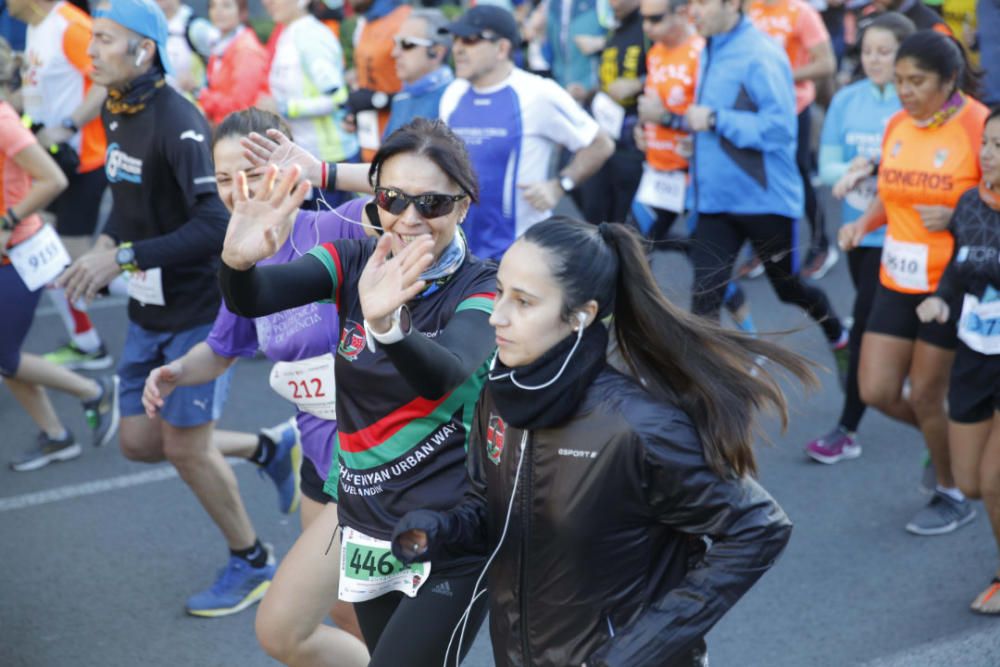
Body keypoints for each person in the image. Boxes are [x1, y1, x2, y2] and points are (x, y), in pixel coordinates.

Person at [391, 217, 808, 666]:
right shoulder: (499, 392)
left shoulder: (639, 426)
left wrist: (633, 651)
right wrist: (444, 530)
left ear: (582, 315)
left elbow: (758, 529)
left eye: (524, 302)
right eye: (499, 292)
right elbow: (489, 502)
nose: (498, 316)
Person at [220, 118, 495, 666]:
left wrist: (389, 327)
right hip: (366, 525)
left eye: (433, 204)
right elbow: (254, 298)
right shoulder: (351, 260)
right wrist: (238, 260)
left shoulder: (486, 286)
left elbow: (445, 373)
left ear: (464, 205)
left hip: (453, 532)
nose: (410, 219)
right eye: (393, 199)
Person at [58, 0, 290, 617]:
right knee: (138, 442)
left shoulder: (180, 122)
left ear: (144, 50)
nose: (90, 48)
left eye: (104, 38)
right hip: (145, 309)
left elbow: (216, 225)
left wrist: (123, 256)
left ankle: (253, 560)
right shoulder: (116, 109)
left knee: (186, 448)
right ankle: (268, 447)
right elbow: (131, 201)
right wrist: (107, 247)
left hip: (193, 309)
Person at [140, 109, 368, 623]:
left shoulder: (337, 225)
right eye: (223, 178)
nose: (236, 188)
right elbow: (222, 348)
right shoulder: (242, 260)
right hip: (318, 456)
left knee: (303, 625)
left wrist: (327, 172)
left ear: (289, 167)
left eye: (252, 171)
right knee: (338, 619)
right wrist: (176, 371)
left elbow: (423, 191)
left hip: (378, 456)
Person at [839, 29, 988, 535]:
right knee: (876, 388)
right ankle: (950, 442)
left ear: (949, 81)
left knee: (927, 393)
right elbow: (891, 191)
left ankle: (950, 490)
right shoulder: (898, 124)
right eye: (900, 81)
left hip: (951, 281)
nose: (905, 91)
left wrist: (955, 216)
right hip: (896, 273)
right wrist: (864, 224)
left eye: (917, 82)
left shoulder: (977, 125)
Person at [685, 0, 850, 386]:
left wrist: (714, 120)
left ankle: (839, 337)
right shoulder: (708, 45)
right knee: (704, 296)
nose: (696, 11)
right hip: (715, 202)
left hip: (764, 201)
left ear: (732, 5)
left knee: (789, 288)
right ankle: (702, 396)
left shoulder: (761, 53)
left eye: (704, 3)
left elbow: (779, 130)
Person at [0, 38, 119, 472]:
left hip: (16, 254)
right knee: (5, 357)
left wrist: (6, 222)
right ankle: (56, 435)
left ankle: (93, 390)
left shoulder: (3, 120)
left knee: (5, 357)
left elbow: (51, 179)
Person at [805, 12, 915, 464]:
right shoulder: (848, 100)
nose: (874, 60)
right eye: (867, 50)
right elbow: (828, 166)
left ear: (905, 56)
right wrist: (851, 172)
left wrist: (877, 170)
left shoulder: (913, 105)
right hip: (858, 232)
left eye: (884, 52)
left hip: (905, 233)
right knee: (878, 319)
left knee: (866, 323)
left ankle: (847, 427)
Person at [439, 4, 614, 261]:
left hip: (518, 254)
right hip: (459, 252)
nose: (457, 48)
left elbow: (601, 144)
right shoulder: (453, 93)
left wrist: (559, 185)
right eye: (455, 39)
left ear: (502, 48)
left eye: (470, 39)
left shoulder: (537, 92)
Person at [917, 106, 1000, 613]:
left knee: (994, 483)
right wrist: (942, 298)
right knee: (970, 482)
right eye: (987, 143)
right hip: (974, 354)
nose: (987, 154)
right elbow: (956, 266)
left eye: (999, 147)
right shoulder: (970, 203)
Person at [9, 0, 112, 371]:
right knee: (54, 258)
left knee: (71, 262)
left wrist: (69, 124)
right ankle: (87, 341)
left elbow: (104, 81)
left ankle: (93, 341)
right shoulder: (39, 27)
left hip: (83, 161)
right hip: (52, 159)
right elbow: (37, 89)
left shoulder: (69, 23)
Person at [748, 0, 838, 279]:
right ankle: (766, 248)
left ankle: (822, 244)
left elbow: (826, 63)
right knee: (758, 175)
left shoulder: (801, 11)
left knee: (798, 175)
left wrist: (783, 74)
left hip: (794, 107)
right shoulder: (749, 8)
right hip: (756, 110)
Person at [260, 0, 358, 173]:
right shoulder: (287, 33)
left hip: (332, 158)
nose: (267, 2)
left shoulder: (312, 36)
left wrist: (283, 108)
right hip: (305, 155)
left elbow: (337, 98)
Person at [579, 0, 647, 226]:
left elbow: (668, 67)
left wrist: (638, 83)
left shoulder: (649, 26)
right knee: (595, 213)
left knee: (626, 225)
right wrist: (588, 93)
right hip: (607, 135)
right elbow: (609, 78)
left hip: (635, 139)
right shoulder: (614, 29)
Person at [344, 0, 411, 160]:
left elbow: (424, 91)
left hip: (400, 147)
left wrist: (377, 100)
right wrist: (354, 109)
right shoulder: (366, 21)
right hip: (368, 144)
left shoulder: (406, 21)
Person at [383, 8, 453, 137]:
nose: (394, 53)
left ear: (437, 51)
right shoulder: (401, 97)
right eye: (395, 43)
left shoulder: (456, 100)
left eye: (407, 44)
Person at [197, 0, 267, 126]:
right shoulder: (220, 45)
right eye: (213, 6)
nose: (218, 11)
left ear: (241, 12)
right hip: (227, 128)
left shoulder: (246, 50)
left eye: (226, 5)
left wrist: (201, 95)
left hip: (242, 133)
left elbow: (240, 105)